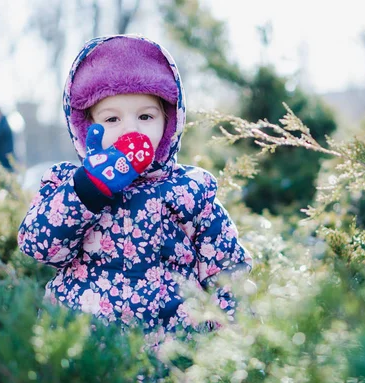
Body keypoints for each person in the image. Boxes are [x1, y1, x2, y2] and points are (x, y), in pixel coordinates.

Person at [17, 35, 252, 339]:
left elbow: (226, 269)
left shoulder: (189, 189)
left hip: (170, 348)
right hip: (84, 345)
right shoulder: (67, 183)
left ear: (167, 123)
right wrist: (87, 188)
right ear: (86, 127)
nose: (130, 129)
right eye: (112, 119)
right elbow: (40, 248)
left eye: (145, 116)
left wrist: (233, 340)